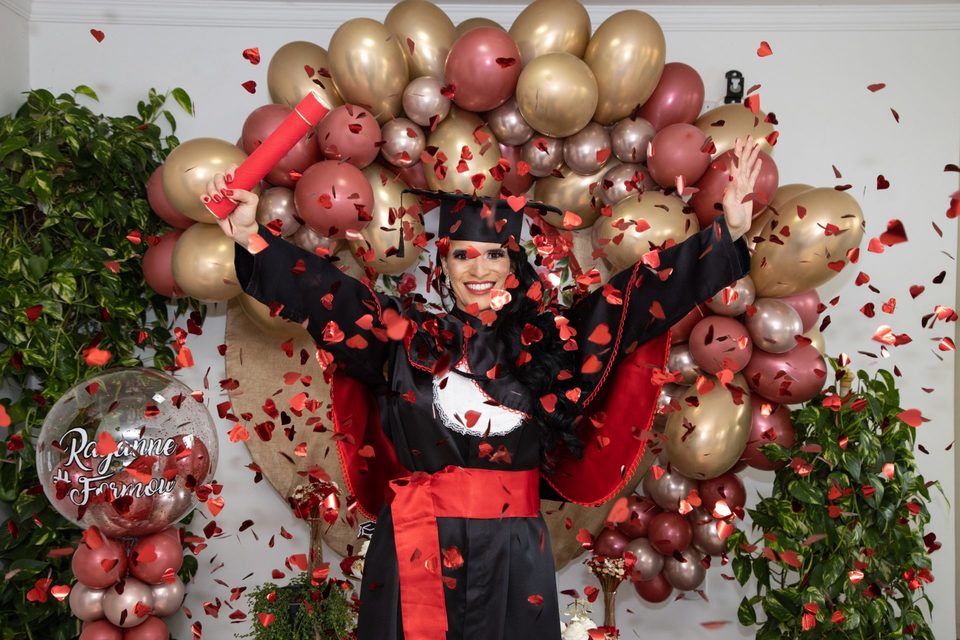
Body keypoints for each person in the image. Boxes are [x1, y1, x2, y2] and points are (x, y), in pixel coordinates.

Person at [207, 137, 763, 640]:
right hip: (414, 545)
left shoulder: (555, 347)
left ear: (513, 262)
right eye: (463, 254)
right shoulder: (403, 338)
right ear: (442, 265)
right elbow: (328, 296)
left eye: (495, 253)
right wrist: (253, 237)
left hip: (514, 554)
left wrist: (726, 237)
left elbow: (632, 304)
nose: (480, 268)